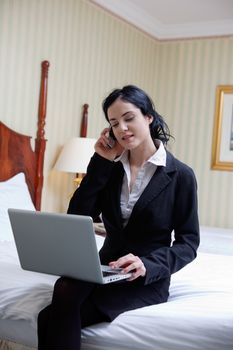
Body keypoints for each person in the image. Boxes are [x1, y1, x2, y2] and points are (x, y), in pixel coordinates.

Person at [37, 85, 199, 350]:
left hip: (144, 277)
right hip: (102, 268)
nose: (121, 128)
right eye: (114, 123)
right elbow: (78, 216)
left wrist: (148, 264)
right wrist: (101, 161)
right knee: (63, 291)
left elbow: (188, 243)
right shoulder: (110, 169)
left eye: (129, 118)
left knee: (49, 318)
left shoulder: (180, 175)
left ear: (149, 117)